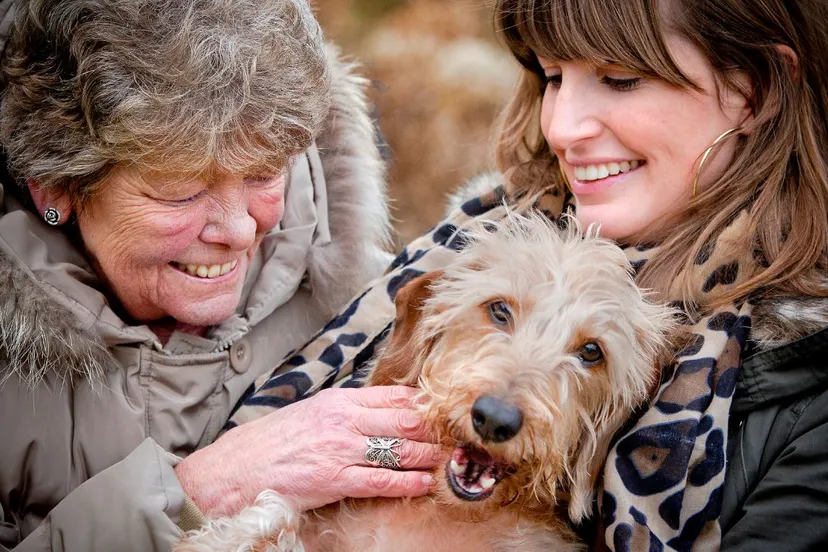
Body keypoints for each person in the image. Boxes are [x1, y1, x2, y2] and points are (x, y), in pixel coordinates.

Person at [224, 0, 828, 550]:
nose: (562, 128)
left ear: (757, 91)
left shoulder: (807, 404)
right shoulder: (459, 251)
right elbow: (389, 450)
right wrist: (210, 487)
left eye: (621, 79)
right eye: (554, 77)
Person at [0, 0, 442, 550]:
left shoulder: (376, 304)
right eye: (182, 190)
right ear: (55, 184)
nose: (238, 231)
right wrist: (197, 495)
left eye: (263, 172)